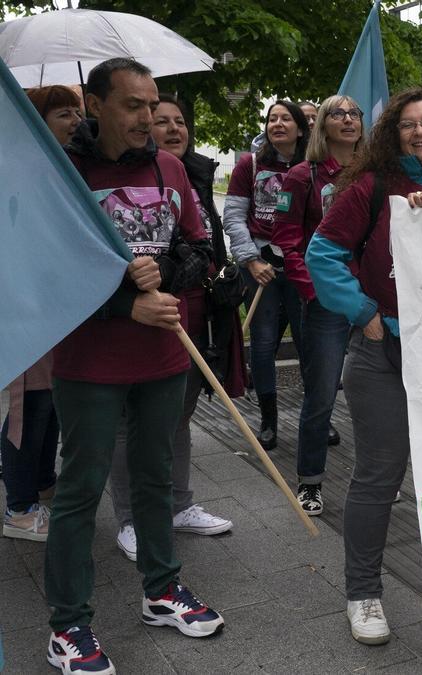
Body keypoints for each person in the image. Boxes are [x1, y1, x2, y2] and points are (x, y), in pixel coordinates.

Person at [48, 58, 224, 673]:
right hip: (90, 361)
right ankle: (68, 624)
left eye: (153, 105)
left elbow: (200, 250)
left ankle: (162, 589)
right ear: (94, 105)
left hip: (165, 354)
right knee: (80, 490)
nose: (148, 118)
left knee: (155, 481)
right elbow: (50, 274)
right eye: (132, 105)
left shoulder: (170, 167)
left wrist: (169, 275)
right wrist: (126, 299)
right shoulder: (63, 174)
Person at [306, 87, 422, 645]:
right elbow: (323, 254)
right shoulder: (372, 185)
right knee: (379, 478)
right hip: (383, 355)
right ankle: (363, 593)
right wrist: (363, 311)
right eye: (408, 125)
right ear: (393, 133)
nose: (419, 132)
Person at [107, 93, 240, 561]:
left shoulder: (194, 176)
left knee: (178, 416)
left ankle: (178, 504)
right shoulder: (118, 177)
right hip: (137, 315)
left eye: (179, 121)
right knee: (129, 422)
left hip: (195, 313)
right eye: (160, 121)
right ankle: (131, 518)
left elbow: (200, 241)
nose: (171, 128)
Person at [272, 95, 363, 516]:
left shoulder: (374, 173)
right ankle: (310, 481)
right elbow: (288, 239)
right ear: (322, 125)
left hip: (371, 300)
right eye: (338, 114)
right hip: (325, 302)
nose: (348, 120)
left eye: (355, 114)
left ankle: (375, 476)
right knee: (321, 396)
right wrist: (312, 289)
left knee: (374, 395)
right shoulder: (300, 176)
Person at [1, 85, 82, 542]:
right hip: (27, 305)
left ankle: (42, 484)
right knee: (25, 406)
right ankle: (18, 507)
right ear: (36, 120)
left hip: (60, 306)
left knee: (50, 402)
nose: (76, 121)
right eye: (64, 113)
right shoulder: (16, 170)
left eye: (78, 112)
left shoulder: (62, 166)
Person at [223, 100, 311, 450]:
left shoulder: (313, 165)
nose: (277, 123)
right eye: (272, 118)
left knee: (309, 343)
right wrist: (249, 260)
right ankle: (268, 420)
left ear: (301, 127)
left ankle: (315, 417)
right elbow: (232, 216)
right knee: (261, 342)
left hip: (301, 264)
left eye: (285, 118)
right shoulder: (251, 164)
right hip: (260, 265)